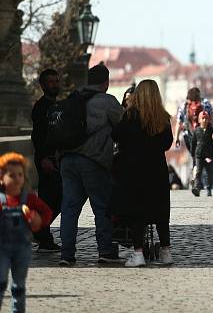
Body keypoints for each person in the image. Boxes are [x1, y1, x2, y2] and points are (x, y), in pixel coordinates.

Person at [59, 63, 125, 266]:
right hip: (93, 160)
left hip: (67, 160)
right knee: (101, 207)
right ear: (106, 82)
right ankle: (105, 250)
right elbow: (123, 127)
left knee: (69, 208)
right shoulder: (107, 101)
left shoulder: (73, 98)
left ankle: (67, 254)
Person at [110, 79, 175, 268]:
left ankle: (138, 254)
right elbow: (167, 143)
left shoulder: (130, 116)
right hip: (157, 170)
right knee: (161, 211)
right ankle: (165, 251)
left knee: (137, 212)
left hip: (134, 169)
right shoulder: (162, 118)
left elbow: (116, 135)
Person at [0, 152, 53, 312]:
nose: (17, 179)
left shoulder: (28, 198)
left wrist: (38, 221)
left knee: (18, 285)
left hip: (22, 248)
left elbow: (47, 213)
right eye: (12, 175)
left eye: (20, 175)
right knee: (1, 281)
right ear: (2, 177)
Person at [29, 68, 61, 252]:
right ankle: (41, 234)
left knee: (56, 198)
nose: (55, 84)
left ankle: (41, 232)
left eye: (56, 81)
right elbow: (38, 137)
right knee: (50, 199)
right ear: (43, 85)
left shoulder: (55, 105)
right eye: (51, 82)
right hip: (46, 160)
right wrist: (43, 159)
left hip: (54, 159)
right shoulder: (42, 107)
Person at [191, 111, 213, 197]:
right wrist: (193, 154)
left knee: (208, 172)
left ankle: (208, 188)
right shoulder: (196, 131)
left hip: (208, 155)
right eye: (203, 118)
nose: (204, 120)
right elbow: (193, 143)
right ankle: (197, 188)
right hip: (199, 155)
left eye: (206, 119)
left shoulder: (211, 130)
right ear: (199, 120)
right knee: (198, 172)